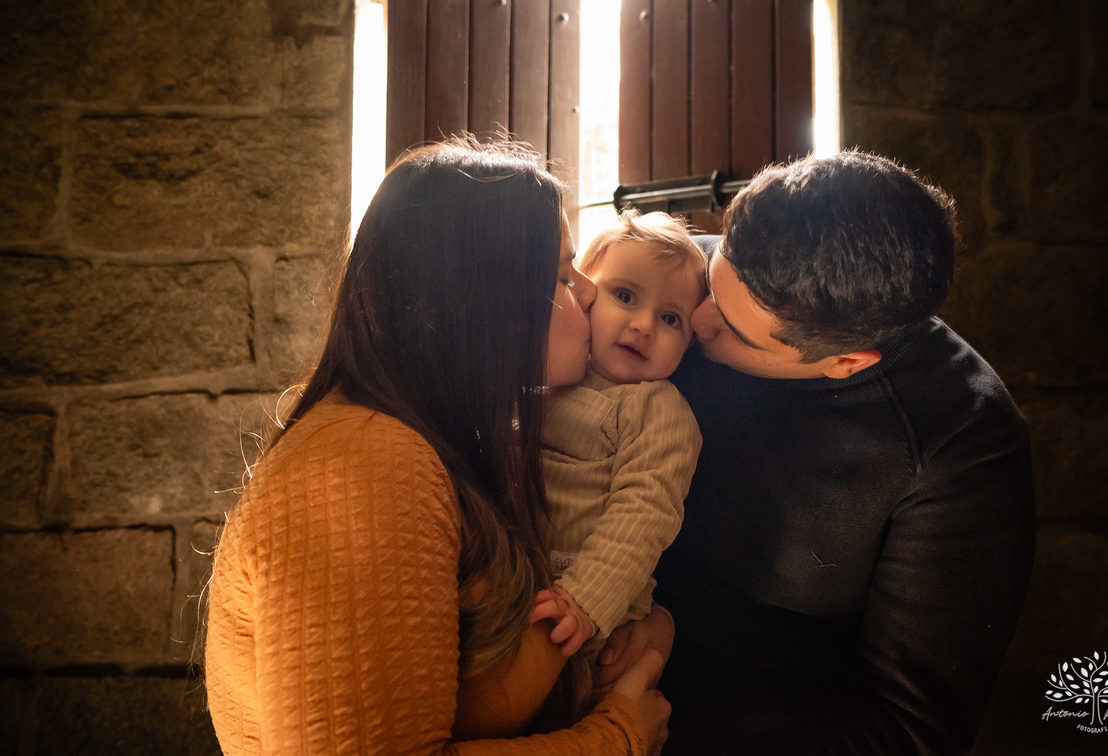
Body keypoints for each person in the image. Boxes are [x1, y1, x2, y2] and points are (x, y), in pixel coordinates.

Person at [204, 138, 670, 755]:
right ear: (480, 303)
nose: (589, 291)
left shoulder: (441, 444)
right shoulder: (362, 466)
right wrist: (620, 736)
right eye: (561, 275)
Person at [630, 150, 1035, 754]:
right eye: (715, 281)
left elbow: (908, 731)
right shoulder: (672, 279)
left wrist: (633, 732)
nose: (694, 320)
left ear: (848, 362)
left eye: (734, 331)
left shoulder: (962, 443)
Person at [531, 212, 706, 662]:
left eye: (670, 319)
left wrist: (586, 600)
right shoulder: (552, 375)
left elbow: (644, 515)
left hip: (590, 610)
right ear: (585, 292)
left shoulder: (657, 408)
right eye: (625, 295)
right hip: (521, 580)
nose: (644, 325)